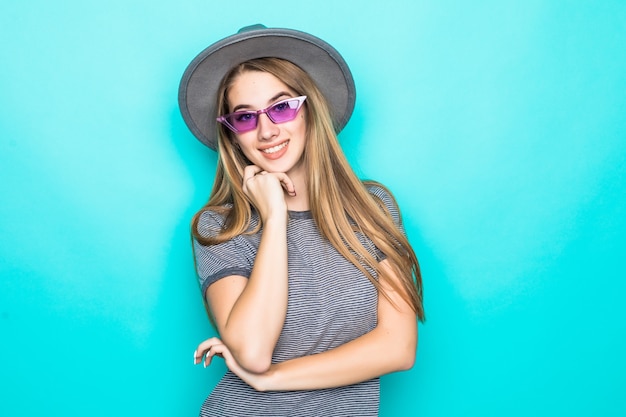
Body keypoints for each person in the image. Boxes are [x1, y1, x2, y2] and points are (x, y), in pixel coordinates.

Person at [178, 24, 425, 416]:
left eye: (281, 107)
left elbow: (398, 348)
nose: (266, 130)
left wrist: (275, 379)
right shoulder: (220, 227)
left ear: (310, 109)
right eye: (244, 118)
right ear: (233, 136)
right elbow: (254, 353)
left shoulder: (372, 208)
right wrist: (274, 217)